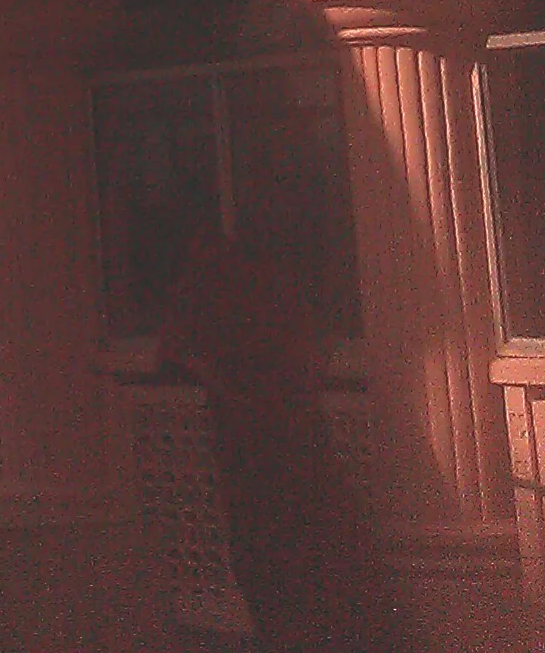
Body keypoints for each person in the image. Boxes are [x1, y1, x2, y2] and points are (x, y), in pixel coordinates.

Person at [159, 203, 392, 653]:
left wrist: (225, 388)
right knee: (289, 538)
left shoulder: (225, 281)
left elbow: (174, 351)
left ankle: (296, 631)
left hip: (262, 430)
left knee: (270, 541)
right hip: (277, 427)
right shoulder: (258, 281)